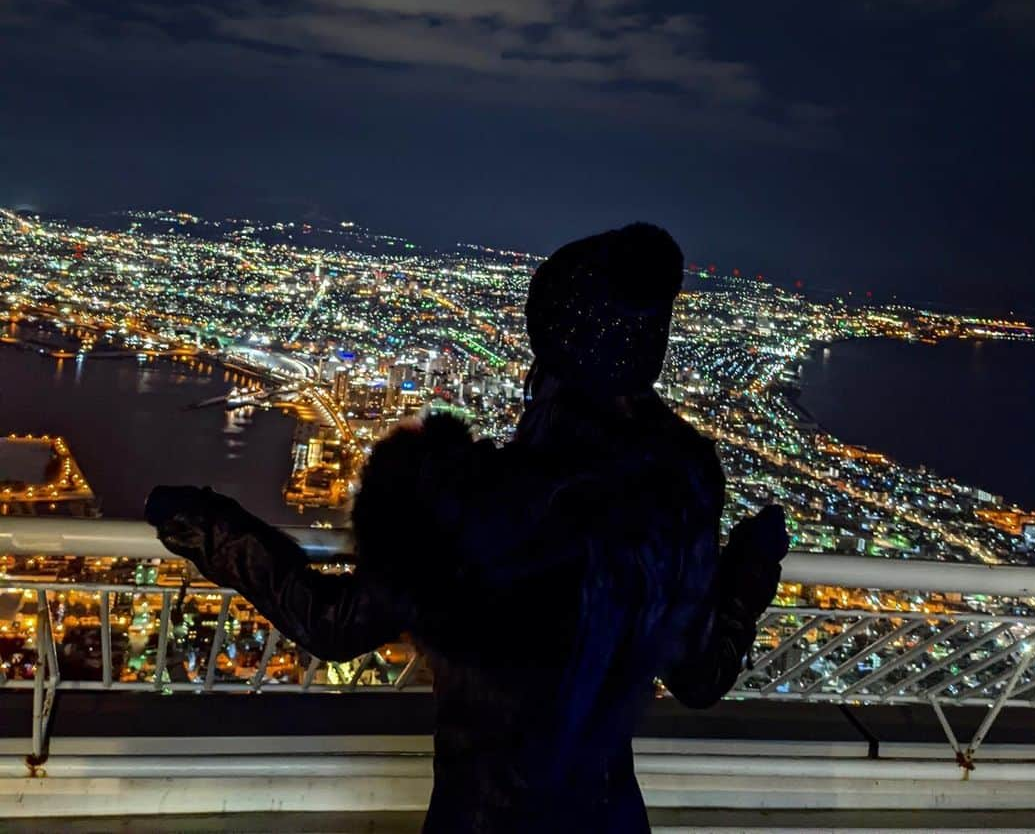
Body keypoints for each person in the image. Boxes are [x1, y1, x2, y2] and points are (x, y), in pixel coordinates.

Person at [146, 223, 788, 833]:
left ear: (550, 350)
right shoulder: (673, 504)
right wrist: (750, 567)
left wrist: (206, 526)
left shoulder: (471, 499)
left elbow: (331, 625)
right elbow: (702, 676)